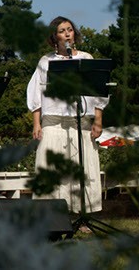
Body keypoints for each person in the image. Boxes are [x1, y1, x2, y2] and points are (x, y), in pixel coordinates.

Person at [27, 16, 107, 216]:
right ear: (54, 36)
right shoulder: (46, 61)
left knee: (82, 168)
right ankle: (53, 217)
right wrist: (36, 123)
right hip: (53, 123)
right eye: (62, 31)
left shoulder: (86, 59)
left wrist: (98, 121)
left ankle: (82, 214)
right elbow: (36, 93)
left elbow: (98, 92)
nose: (67, 33)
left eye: (69, 29)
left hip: (82, 122)